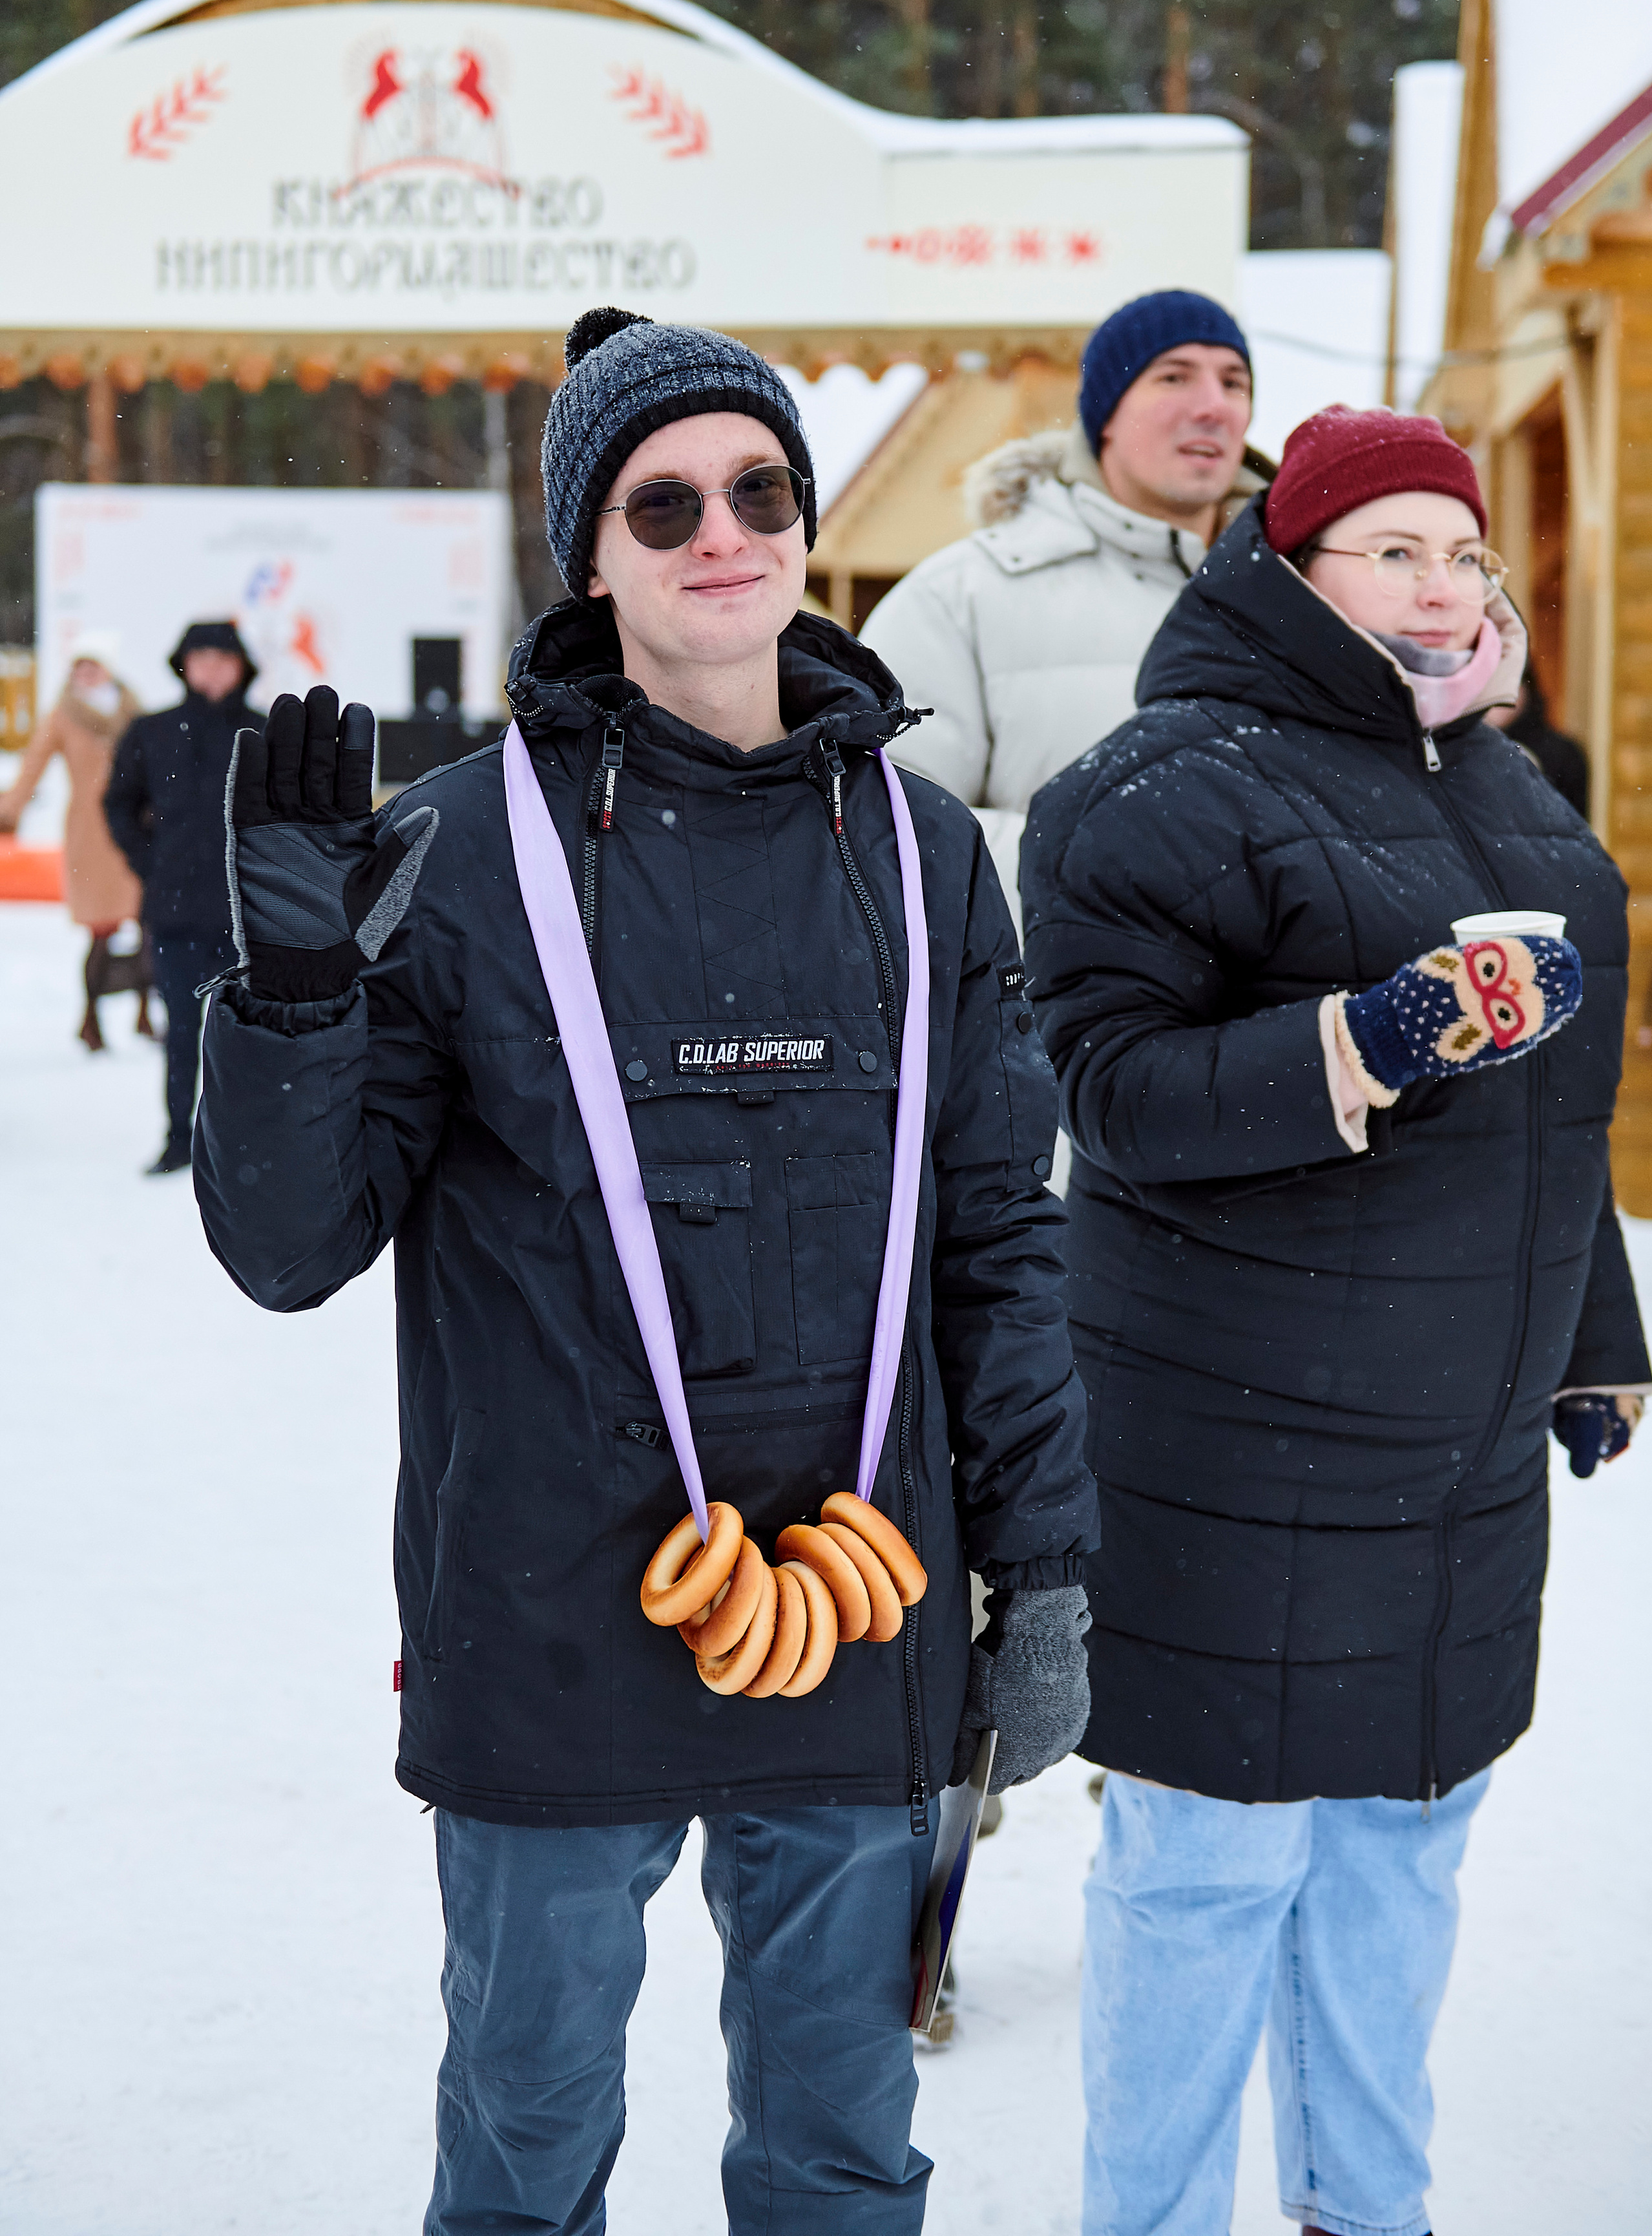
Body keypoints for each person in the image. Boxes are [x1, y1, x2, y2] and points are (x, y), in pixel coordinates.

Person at [192, 306, 1098, 2235]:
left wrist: (1048, 1565)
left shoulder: (923, 852)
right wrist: (288, 994)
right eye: (660, 497)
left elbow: (998, 1240)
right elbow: (289, 1247)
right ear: (588, 556)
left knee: (843, 2154)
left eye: (758, 486)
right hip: (546, 1624)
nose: (720, 528)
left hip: (864, 1613)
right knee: (522, 2157)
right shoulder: (449, 851)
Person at [1021, 404, 1649, 2236]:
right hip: (1238, 1444)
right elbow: (1112, 1087)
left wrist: (1595, 1328)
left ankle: (1368, 2211)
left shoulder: (1504, 784)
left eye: (1463, 552)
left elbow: (1554, 1104)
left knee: (1404, 1858)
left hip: (1455, 1462)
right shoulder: (1158, 785)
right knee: (1207, 1870)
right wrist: (1361, 1045)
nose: (1445, 584)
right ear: (1290, 568)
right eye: (1397, 549)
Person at [862, 288, 1259, 920]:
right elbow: (888, 831)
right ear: (1104, 413)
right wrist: (1109, 885)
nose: (1213, 407)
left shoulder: (1303, 598)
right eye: (1174, 377)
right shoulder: (961, 596)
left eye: (1234, 383)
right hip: (1052, 1011)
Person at [105, 620, 260, 1174]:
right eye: (202, 658)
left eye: (223, 658)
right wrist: (152, 863)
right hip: (174, 915)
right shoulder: (153, 731)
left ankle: (242, 1145)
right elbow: (118, 803)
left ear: (241, 666)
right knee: (181, 1032)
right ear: (184, 665)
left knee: (246, 1037)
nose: (212, 669)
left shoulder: (263, 733)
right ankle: (178, 1136)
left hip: (249, 919)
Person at [0, 631, 153, 1049]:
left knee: (147, 923)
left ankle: (143, 1012)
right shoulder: (63, 715)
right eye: (79, 667)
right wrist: (9, 809)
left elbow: (157, 764)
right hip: (91, 833)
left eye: (93, 665)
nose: (85, 674)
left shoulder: (132, 711)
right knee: (101, 929)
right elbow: (33, 763)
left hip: (136, 829)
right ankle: (91, 1017)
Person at [1485, 659, 1590, 816]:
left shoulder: (1562, 755)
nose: (1498, 695)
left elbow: (1574, 830)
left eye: (1507, 682)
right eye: (1488, 685)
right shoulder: (1450, 751)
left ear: (1527, 688)